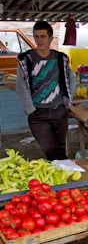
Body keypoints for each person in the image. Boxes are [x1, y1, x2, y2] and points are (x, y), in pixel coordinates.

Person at [16, 21, 76, 160]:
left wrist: (68, 100)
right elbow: (20, 86)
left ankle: (61, 172)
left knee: (60, 147)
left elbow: (72, 79)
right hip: (37, 113)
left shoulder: (61, 58)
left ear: (51, 38)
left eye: (43, 36)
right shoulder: (26, 60)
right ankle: (64, 166)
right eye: (36, 36)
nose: (39, 40)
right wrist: (30, 109)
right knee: (48, 148)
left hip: (58, 110)